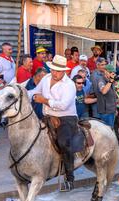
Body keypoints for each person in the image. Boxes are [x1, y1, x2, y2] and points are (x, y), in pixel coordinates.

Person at [28, 55, 78, 191]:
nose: (54, 73)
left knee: (63, 143)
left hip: (66, 117)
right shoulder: (46, 78)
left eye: (58, 71)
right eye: (53, 70)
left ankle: (70, 177)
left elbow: (63, 106)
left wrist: (44, 101)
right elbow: (35, 91)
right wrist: (25, 94)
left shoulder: (70, 85)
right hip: (47, 116)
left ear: (65, 71)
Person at [95, 64, 117, 129]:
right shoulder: (101, 80)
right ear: (105, 71)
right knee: (106, 132)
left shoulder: (110, 80)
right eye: (110, 72)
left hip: (111, 111)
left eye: (113, 72)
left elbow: (113, 95)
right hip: (105, 112)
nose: (112, 74)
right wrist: (111, 81)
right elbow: (104, 91)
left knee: (110, 131)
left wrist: (115, 109)